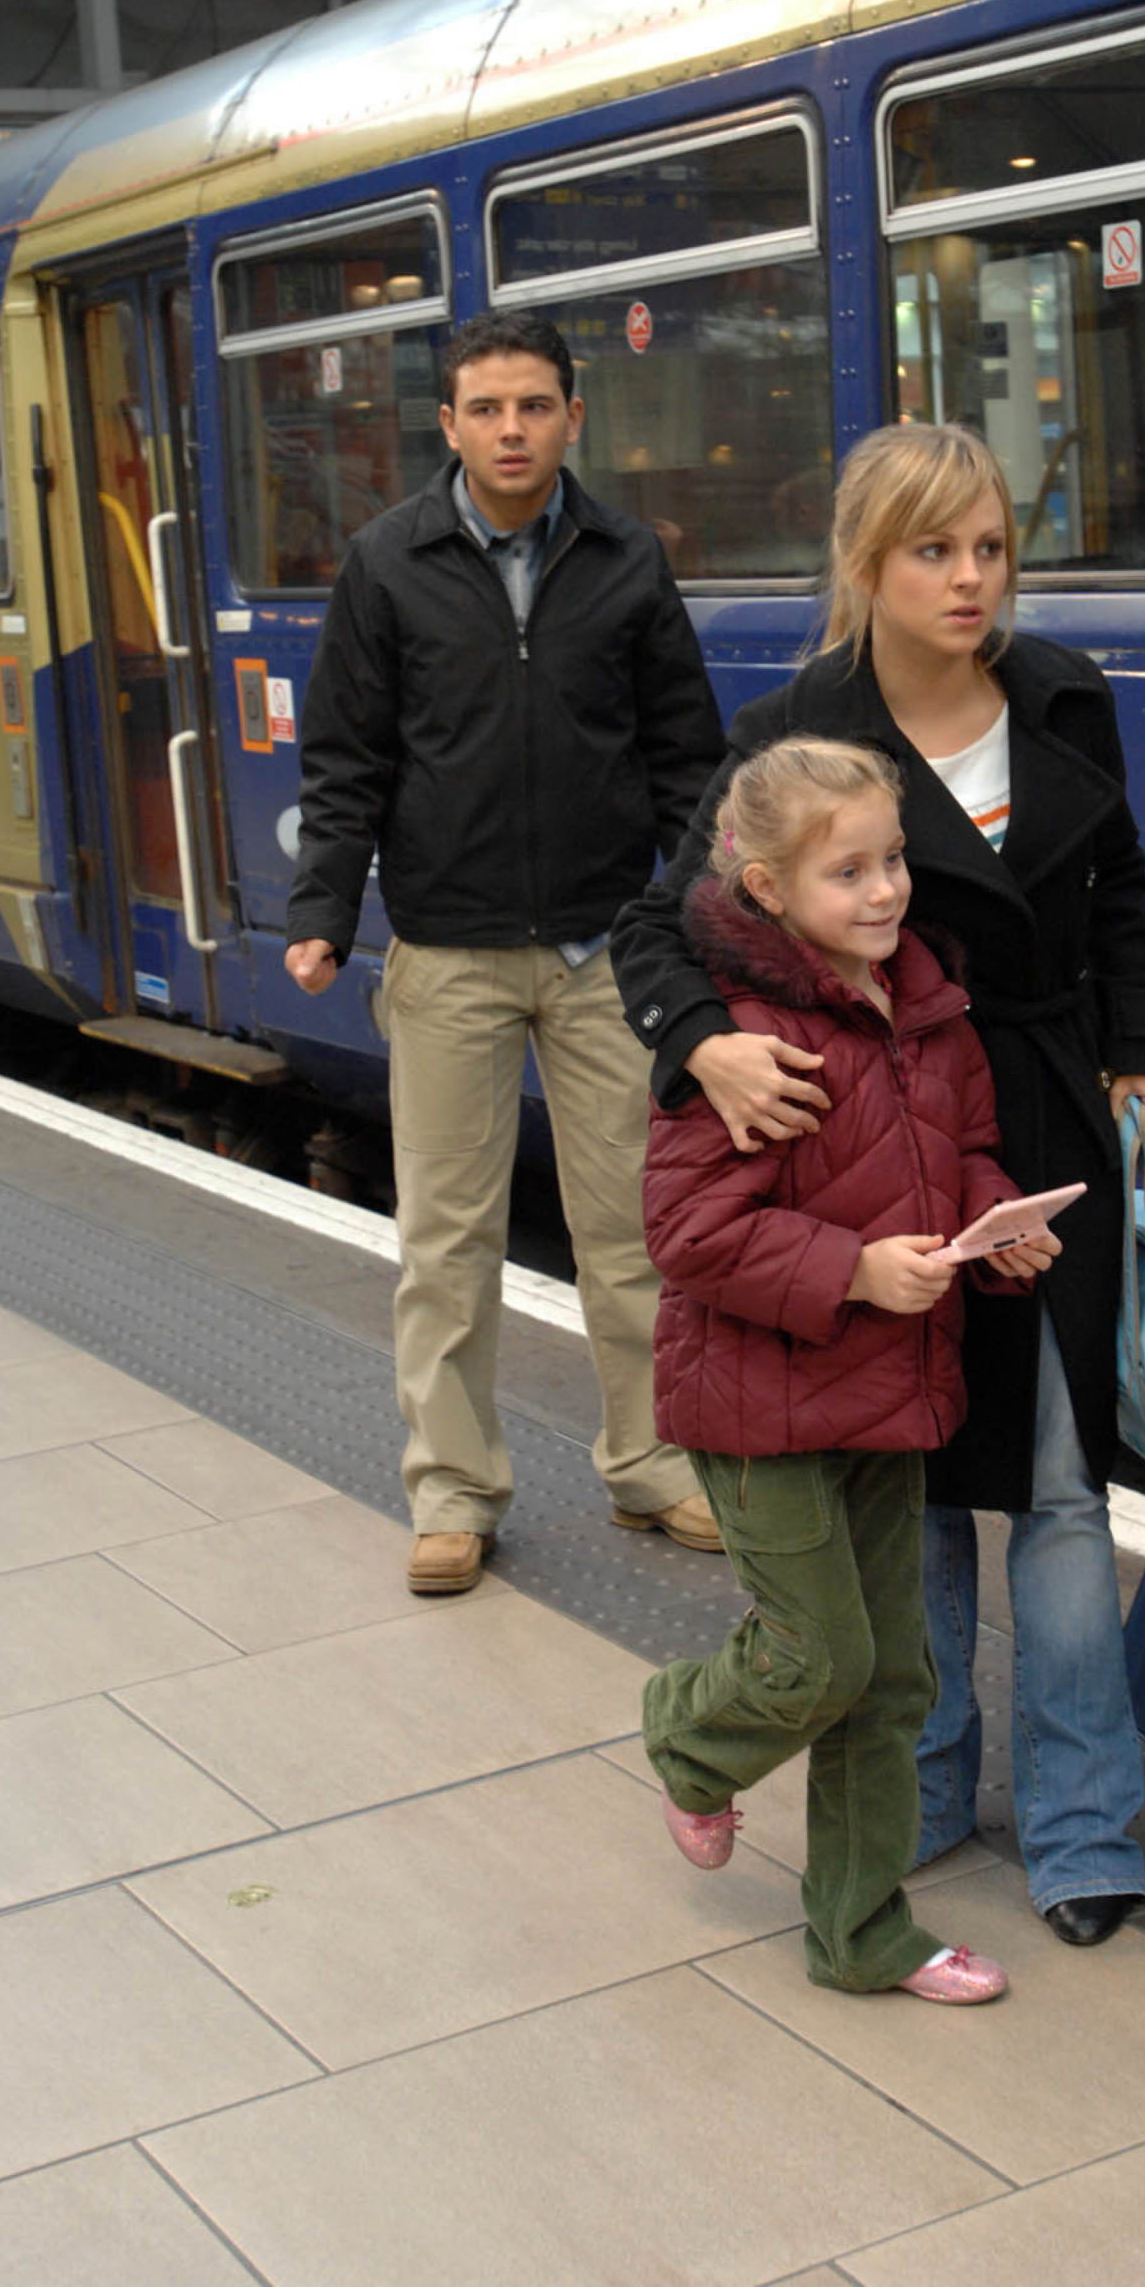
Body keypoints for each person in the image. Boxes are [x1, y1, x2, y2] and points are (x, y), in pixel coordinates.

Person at [614, 420, 1145, 1945]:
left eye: (990, 547)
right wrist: (708, 1047)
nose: (971, 578)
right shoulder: (801, 726)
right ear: (866, 565)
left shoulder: (1063, 695)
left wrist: (1142, 1054)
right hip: (873, 1136)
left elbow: (1119, 890)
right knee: (909, 1488)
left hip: (1039, 1128)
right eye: (934, 549)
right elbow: (659, 920)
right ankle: (924, 1789)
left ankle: (1079, 1827)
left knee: (1062, 1492)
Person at [285, 309, 727, 1594]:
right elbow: (347, 756)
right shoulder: (387, 561)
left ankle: (654, 1465)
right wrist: (323, 912)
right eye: (487, 409)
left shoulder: (628, 557)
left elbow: (685, 762)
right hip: (449, 956)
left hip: (602, 955)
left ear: (573, 418)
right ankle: (455, 1490)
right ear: (450, 426)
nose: (512, 429)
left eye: (534, 406)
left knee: (634, 1232)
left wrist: (699, 919)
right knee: (447, 1241)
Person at [641, 735, 1056, 2002]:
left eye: (893, 863)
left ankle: (864, 1933)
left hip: (887, 1391)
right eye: (847, 872)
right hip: (758, 1401)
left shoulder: (929, 1007)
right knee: (816, 1657)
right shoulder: (744, 1044)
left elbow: (965, 1149)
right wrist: (854, 1269)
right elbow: (688, 1230)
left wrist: (998, 1227)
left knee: (890, 1677)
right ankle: (687, 1736)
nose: (884, 893)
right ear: (766, 888)